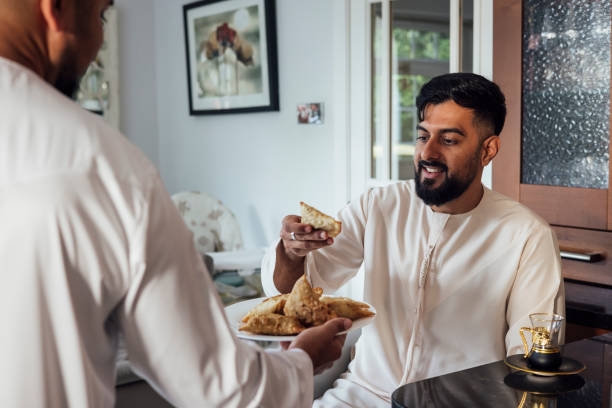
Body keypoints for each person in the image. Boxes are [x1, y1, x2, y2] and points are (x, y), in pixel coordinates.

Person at [0, 0, 351, 406]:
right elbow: (223, 390)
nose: (97, 43)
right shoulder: (103, 168)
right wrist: (304, 359)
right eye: (101, 15)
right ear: (55, 9)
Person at [261, 72, 565, 407]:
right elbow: (294, 292)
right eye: (423, 137)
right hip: (360, 396)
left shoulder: (528, 236)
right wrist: (292, 252)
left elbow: (531, 360)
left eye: (448, 140)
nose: (428, 153)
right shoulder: (378, 206)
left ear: (488, 149)